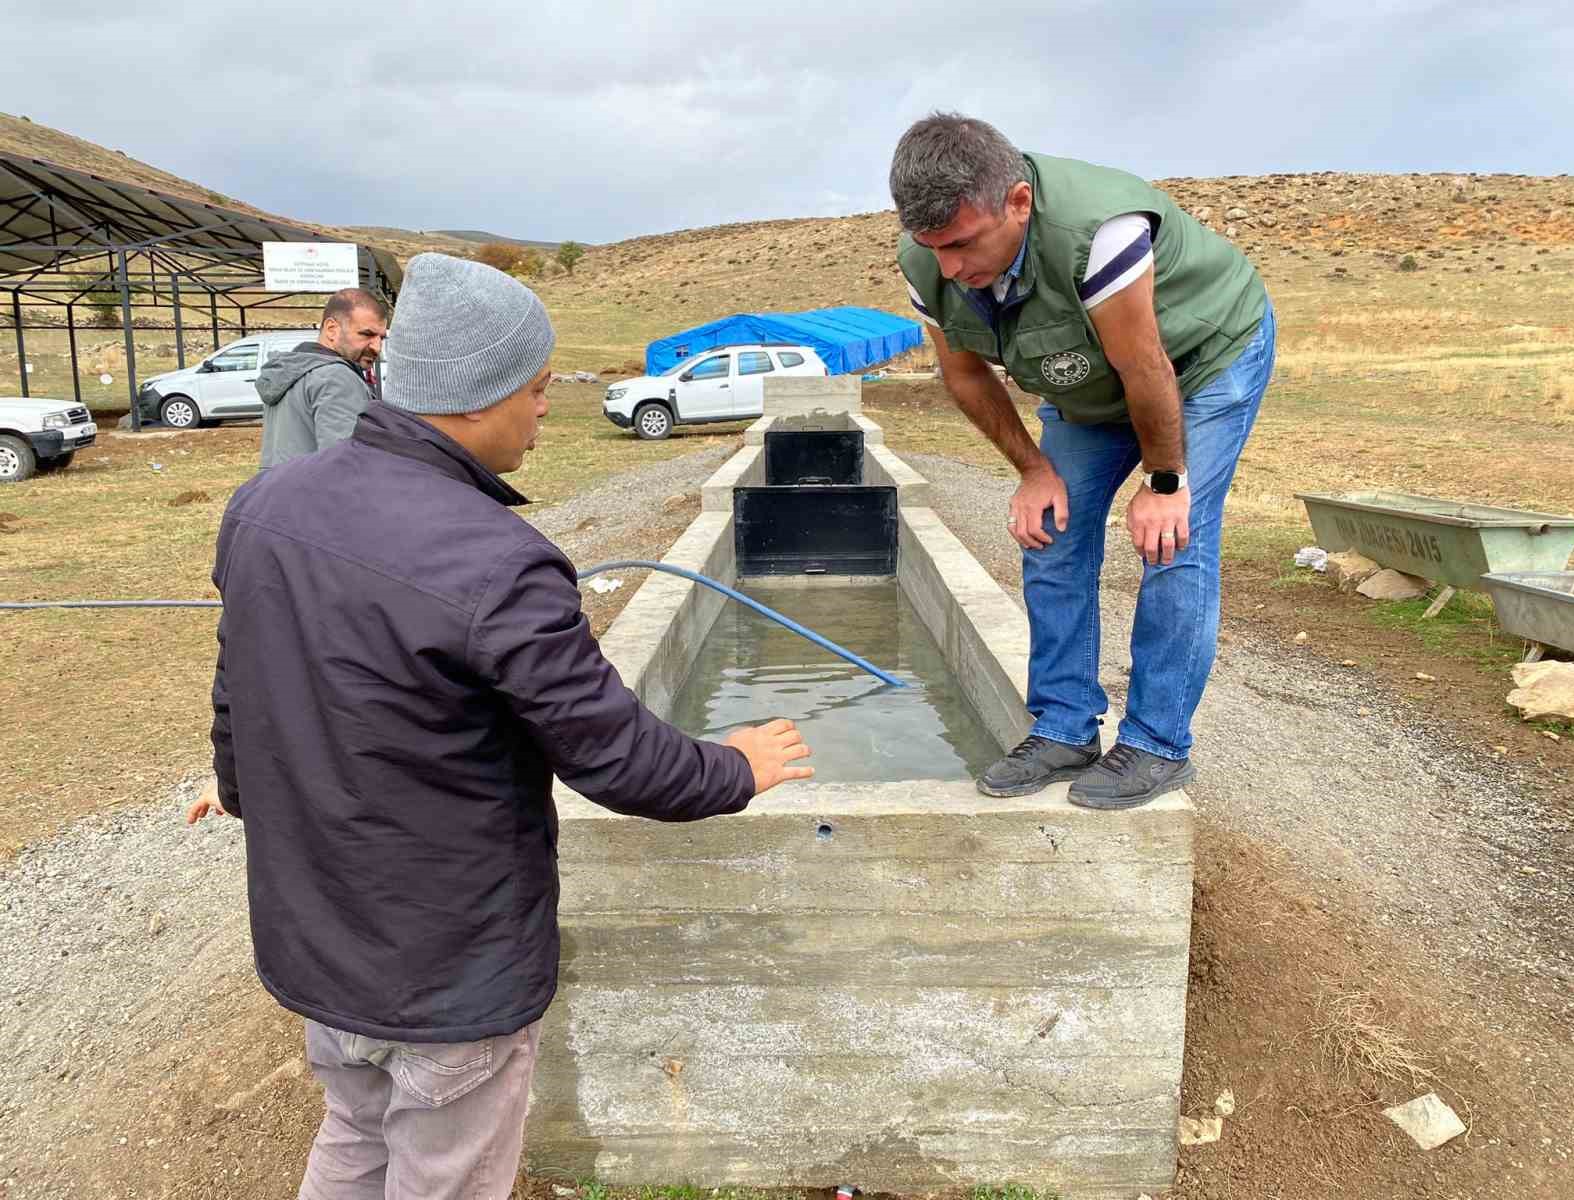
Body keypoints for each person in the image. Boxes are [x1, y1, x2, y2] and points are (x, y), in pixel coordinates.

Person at [192, 253, 813, 1199]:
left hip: (317, 940)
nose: (545, 409)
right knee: (444, 1172)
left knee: (355, 1132)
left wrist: (237, 787)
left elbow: (239, 690)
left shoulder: (265, 507)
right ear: (478, 396)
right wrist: (737, 764)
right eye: (537, 387)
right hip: (448, 970)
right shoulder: (502, 561)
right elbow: (620, 761)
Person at [891, 113, 1276, 809]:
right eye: (932, 247)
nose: (950, 267)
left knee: (1173, 542)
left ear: (1018, 202)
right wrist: (1034, 471)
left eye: (962, 244)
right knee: (1052, 531)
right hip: (1093, 385)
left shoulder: (1100, 235)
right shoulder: (928, 260)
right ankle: (1065, 726)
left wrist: (1164, 481)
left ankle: (1158, 745)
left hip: (1201, 360)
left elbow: (1146, 365)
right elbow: (969, 376)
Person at [255, 287, 389, 469]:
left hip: (278, 492)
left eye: (381, 338)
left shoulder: (290, 371)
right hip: (315, 495)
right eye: (367, 334)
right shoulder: (336, 377)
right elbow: (346, 467)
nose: (377, 347)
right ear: (332, 329)